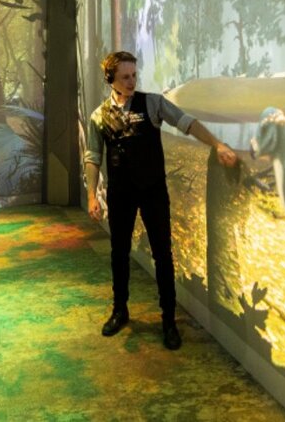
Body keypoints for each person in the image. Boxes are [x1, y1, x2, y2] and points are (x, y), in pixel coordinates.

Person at [84, 51, 238, 350]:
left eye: (134, 75)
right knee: (118, 253)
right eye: (125, 77)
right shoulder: (99, 116)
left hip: (153, 190)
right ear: (110, 79)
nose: (131, 81)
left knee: (163, 254)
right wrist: (92, 195)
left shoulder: (152, 103)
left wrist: (218, 144)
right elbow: (92, 157)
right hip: (120, 193)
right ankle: (120, 310)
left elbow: (186, 123)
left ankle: (168, 320)